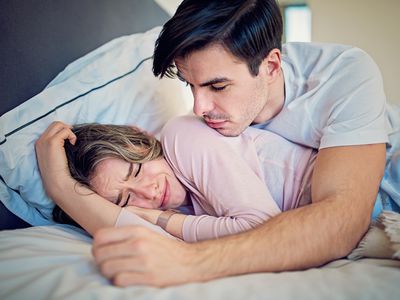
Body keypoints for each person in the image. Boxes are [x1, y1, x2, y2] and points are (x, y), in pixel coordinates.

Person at [37, 0, 400, 287]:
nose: (199, 108)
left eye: (217, 86)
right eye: (189, 86)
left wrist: (184, 255)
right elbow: (134, 231)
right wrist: (63, 189)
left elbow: (340, 221)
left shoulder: (341, 75)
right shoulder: (193, 154)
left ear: (272, 66)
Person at [42, 116, 316, 242]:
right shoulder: (176, 213)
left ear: (143, 136)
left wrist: (159, 219)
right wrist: (62, 189)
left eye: (136, 170)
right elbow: (147, 242)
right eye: (126, 200)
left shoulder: (181, 136)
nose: (148, 193)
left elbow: (263, 231)